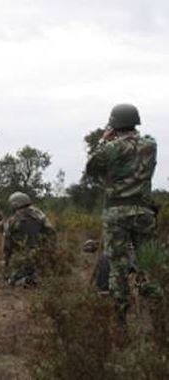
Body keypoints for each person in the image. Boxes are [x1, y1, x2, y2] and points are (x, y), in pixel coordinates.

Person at [86, 103, 157, 324]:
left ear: (114, 124)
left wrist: (103, 139)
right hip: (144, 211)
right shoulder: (151, 144)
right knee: (149, 264)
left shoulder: (111, 148)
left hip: (117, 212)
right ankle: (158, 316)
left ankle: (120, 319)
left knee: (117, 266)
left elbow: (91, 168)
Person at [3, 192, 56, 287]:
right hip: (41, 254)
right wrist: (49, 251)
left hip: (23, 256)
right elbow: (52, 233)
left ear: (15, 204)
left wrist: (7, 263)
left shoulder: (13, 220)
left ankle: (28, 280)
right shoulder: (40, 214)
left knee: (12, 280)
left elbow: (7, 244)